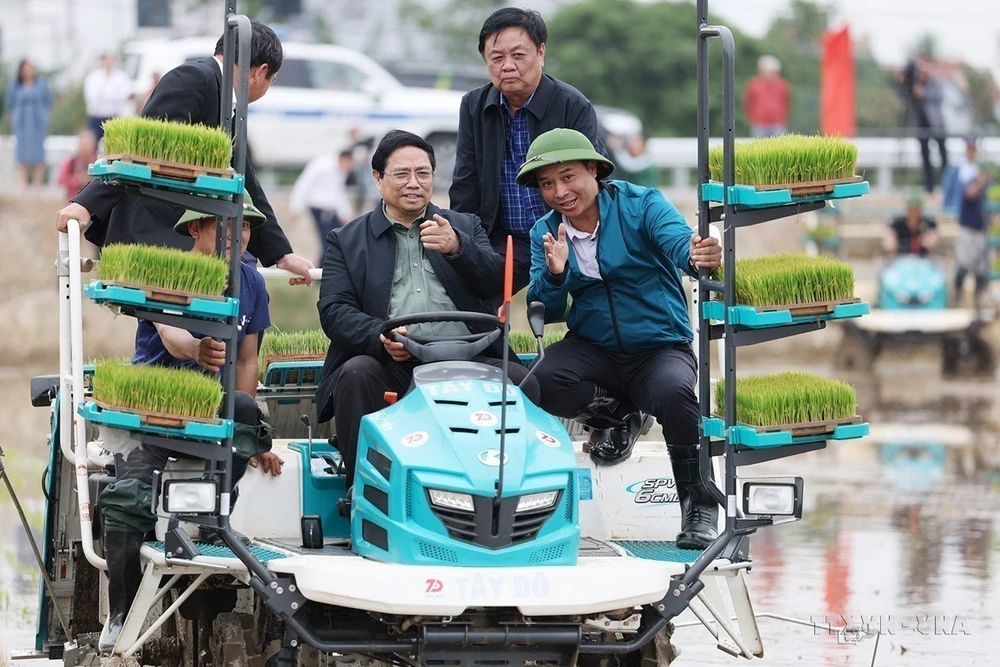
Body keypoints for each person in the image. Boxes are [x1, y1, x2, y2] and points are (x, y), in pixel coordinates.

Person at [518, 129, 722, 550]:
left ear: (594, 169)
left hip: (659, 346)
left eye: (569, 176)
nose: (560, 192)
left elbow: (679, 243)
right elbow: (547, 309)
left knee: (676, 394)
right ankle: (619, 417)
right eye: (547, 184)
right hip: (593, 348)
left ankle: (699, 506)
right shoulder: (546, 231)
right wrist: (555, 275)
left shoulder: (640, 205)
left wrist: (697, 254)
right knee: (539, 382)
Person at [97, 194, 283, 652]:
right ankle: (121, 612)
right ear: (194, 231)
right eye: (221, 226)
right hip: (153, 411)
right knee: (126, 502)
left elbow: (246, 360)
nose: (234, 236)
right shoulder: (168, 272)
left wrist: (253, 435)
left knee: (242, 412)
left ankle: (212, 547)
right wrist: (197, 350)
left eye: (242, 228)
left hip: (212, 414)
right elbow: (174, 337)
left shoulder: (251, 282)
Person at [315, 130, 539, 484]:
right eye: (401, 174)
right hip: (394, 362)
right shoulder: (346, 239)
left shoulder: (464, 226)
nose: (414, 184)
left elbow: (496, 283)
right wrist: (380, 335)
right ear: (378, 178)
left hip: (469, 356)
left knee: (518, 380)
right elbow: (334, 310)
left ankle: (508, 488)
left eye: (423, 173)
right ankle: (360, 489)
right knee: (357, 374)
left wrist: (458, 248)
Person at [56, 20, 314, 285]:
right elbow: (140, 151)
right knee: (228, 287)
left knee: (247, 280)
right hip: (154, 230)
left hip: (187, 231)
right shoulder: (194, 79)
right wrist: (86, 205)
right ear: (260, 72)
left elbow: (245, 181)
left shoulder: (229, 101)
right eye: (272, 80)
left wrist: (282, 254)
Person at [450, 7, 608, 293]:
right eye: (496, 58)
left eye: (518, 55)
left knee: (592, 297)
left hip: (562, 232)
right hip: (502, 238)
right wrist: (467, 246)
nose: (507, 66)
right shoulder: (474, 105)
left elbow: (595, 180)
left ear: (541, 53)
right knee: (464, 289)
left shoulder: (572, 104)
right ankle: (492, 340)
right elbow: (465, 183)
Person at [289, 149, 355, 264]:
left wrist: (345, 214)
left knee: (336, 241)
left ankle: (329, 272)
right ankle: (322, 273)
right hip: (320, 209)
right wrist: (296, 207)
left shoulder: (341, 171)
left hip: (332, 210)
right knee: (329, 243)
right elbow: (304, 184)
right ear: (345, 159)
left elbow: (338, 193)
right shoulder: (322, 165)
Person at [952, 138, 990, 308]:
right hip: (967, 227)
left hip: (981, 227)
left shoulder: (978, 170)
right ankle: (957, 298)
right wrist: (982, 180)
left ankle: (978, 302)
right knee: (964, 264)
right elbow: (970, 192)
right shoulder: (964, 170)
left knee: (981, 268)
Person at [903, 56, 948, 193]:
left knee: (943, 156)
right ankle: (929, 187)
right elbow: (907, 93)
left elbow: (939, 96)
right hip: (921, 126)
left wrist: (924, 93)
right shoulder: (916, 83)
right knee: (925, 157)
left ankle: (946, 185)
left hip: (936, 124)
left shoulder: (934, 83)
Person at [5, 59, 52, 192]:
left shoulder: (41, 84)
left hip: (37, 124)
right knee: (21, 154)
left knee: (39, 154)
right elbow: (10, 103)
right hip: (22, 124)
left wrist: (44, 118)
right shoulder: (15, 85)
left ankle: (37, 185)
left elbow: (48, 101)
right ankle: (23, 185)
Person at [83, 54, 133, 141]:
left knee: (115, 144)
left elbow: (126, 95)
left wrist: (107, 97)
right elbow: (92, 96)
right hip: (96, 117)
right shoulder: (93, 77)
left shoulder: (121, 77)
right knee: (93, 143)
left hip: (115, 117)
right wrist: (112, 96)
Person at [742, 55, 790, 138]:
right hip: (759, 125)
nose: (769, 74)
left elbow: (786, 103)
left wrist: (783, 119)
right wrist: (752, 119)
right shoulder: (753, 84)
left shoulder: (782, 85)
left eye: (771, 71)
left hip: (777, 124)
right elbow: (747, 103)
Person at [884, 191, 939, 257]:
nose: (914, 213)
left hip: (922, 260)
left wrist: (926, 238)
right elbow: (889, 243)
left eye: (916, 209)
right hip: (902, 260)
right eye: (911, 209)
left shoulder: (927, 223)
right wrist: (892, 242)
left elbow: (932, 242)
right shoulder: (898, 224)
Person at [56, 129, 99, 200]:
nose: (84, 148)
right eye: (83, 144)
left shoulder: (99, 162)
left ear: (93, 145)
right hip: (74, 202)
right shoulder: (71, 162)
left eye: (87, 144)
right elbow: (60, 180)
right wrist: (77, 180)